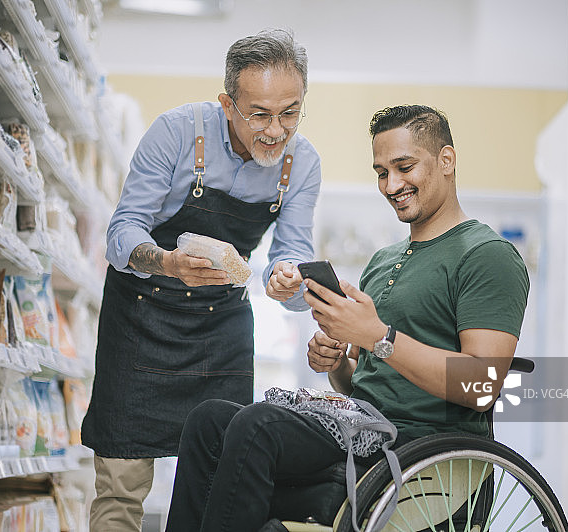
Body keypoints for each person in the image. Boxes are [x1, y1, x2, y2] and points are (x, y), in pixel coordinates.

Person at [164, 104, 530, 531]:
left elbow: (482, 386)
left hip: (421, 449)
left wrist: (378, 336)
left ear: (446, 160)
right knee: (208, 421)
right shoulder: (383, 261)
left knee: (256, 425)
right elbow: (366, 381)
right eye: (381, 172)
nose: (392, 185)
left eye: (404, 167)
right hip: (362, 428)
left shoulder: (486, 256)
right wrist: (338, 361)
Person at [81, 29, 321, 531]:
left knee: (220, 482)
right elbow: (122, 231)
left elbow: (295, 258)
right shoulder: (176, 132)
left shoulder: (302, 165)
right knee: (122, 482)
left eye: (291, 112)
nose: (277, 130)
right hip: (141, 316)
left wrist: (290, 282)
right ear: (227, 104)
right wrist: (168, 263)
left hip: (221, 328)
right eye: (260, 114)